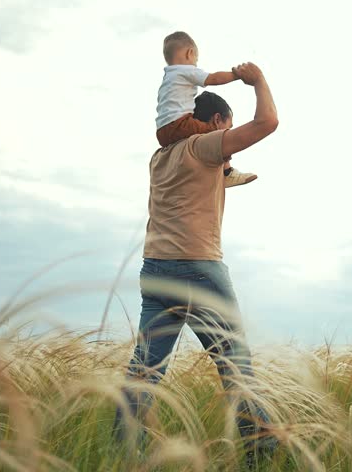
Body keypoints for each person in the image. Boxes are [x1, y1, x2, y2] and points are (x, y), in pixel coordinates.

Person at [113, 62, 279, 468]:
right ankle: (263, 454)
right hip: (200, 267)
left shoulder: (160, 156)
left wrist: (226, 174)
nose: (227, 138)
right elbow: (268, 122)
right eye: (226, 127)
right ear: (217, 121)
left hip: (156, 271)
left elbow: (200, 184)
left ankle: (120, 451)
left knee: (145, 370)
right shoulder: (205, 147)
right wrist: (256, 79)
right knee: (235, 367)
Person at [155, 31, 258, 188]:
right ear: (190, 53)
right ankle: (227, 173)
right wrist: (237, 75)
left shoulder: (167, 78)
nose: (196, 64)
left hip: (162, 132)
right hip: (179, 124)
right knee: (217, 135)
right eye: (196, 60)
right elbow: (213, 79)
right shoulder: (185, 70)